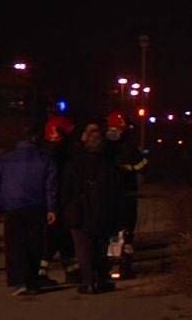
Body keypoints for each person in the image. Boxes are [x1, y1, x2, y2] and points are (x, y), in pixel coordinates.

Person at [0, 125, 58, 296]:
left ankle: (20, 281)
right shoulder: (44, 158)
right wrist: (51, 208)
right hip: (36, 205)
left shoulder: (5, 159)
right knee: (34, 244)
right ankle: (32, 281)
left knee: (15, 245)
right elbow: (50, 185)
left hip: (12, 207)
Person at [62, 122, 124, 294]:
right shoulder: (109, 165)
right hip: (103, 212)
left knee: (83, 249)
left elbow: (66, 189)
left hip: (79, 212)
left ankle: (89, 281)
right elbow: (117, 191)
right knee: (100, 247)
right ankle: (101, 279)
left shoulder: (74, 163)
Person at [37, 115, 81, 285]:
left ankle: (70, 271)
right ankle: (42, 273)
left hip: (53, 203)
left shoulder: (45, 153)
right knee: (54, 239)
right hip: (58, 203)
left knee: (61, 238)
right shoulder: (60, 156)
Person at [104, 112, 147, 278]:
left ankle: (115, 265)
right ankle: (121, 266)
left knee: (116, 233)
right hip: (123, 196)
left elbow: (143, 166)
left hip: (113, 197)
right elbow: (144, 166)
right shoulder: (127, 148)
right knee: (124, 233)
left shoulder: (105, 148)